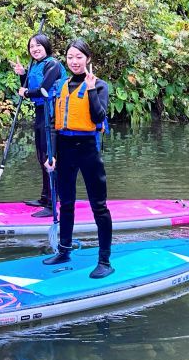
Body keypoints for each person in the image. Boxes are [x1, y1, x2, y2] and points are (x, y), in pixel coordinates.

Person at [42, 38, 113, 279]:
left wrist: (91, 90)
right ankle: (64, 250)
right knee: (67, 203)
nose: (74, 61)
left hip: (88, 149)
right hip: (65, 149)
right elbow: (53, 123)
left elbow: (97, 116)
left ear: (88, 59)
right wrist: (50, 155)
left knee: (99, 206)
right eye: (70, 57)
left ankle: (104, 260)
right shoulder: (62, 85)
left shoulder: (100, 85)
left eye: (79, 57)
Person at [10, 34, 66, 217]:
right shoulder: (35, 65)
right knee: (40, 154)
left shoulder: (53, 64)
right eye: (32, 46)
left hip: (53, 112)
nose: (35, 49)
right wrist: (23, 75)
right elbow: (29, 91)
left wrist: (25, 92)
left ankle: (52, 204)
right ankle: (45, 197)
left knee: (50, 157)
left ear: (46, 46)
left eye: (38, 45)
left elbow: (42, 90)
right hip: (41, 111)